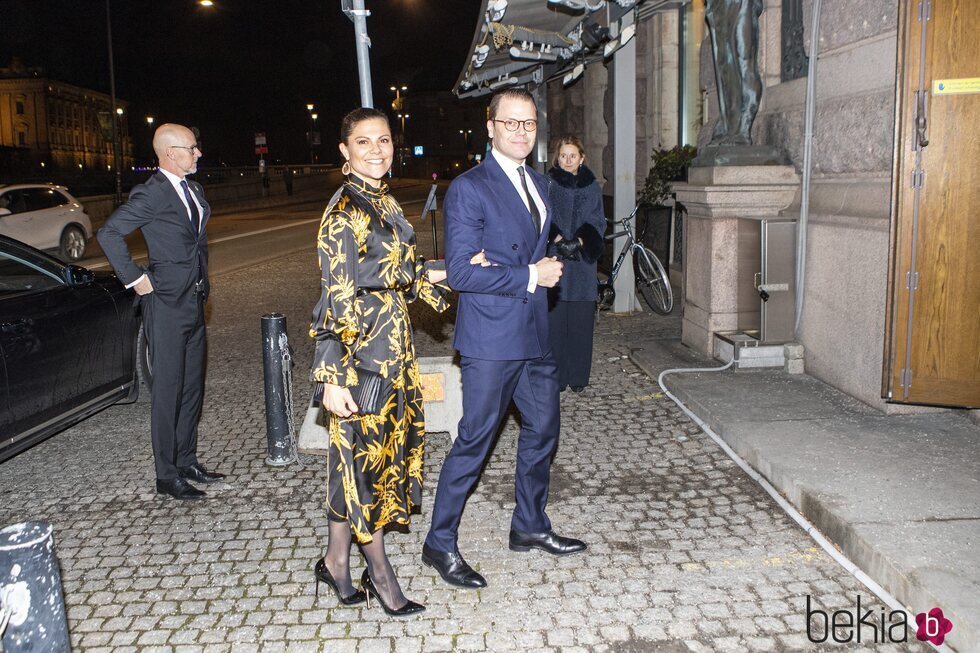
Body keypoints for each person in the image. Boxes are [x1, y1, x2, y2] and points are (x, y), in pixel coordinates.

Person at [423, 88, 587, 591]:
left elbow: (517, 247)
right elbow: (459, 272)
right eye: (511, 123)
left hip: (534, 335)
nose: (521, 131)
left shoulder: (538, 183)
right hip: (492, 339)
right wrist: (527, 274)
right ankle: (440, 542)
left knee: (543, 430)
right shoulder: (470, 187)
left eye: (529, 123)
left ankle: (529, 525)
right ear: (489, 126)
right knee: (475, 441)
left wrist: (511, 264)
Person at [309, 107, 450, 616]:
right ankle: (383, 577)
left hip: (396, 353)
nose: (376, 150)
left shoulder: (385, 201)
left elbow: (405, 275)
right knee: (365, 466)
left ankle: (335, 562)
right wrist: (331, 376)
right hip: (361, 358)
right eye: (363, 142)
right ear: (344, 152)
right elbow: (334, 298)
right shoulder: (344, 212)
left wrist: (453, 279)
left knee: (351, 463)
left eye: (384, 140)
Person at [98, 123, 224, 501]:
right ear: (170, 153)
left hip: (194, 300)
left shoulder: (194, 190)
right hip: (165, 304)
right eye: (191, 148)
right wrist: (135, 277)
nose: (198, 153)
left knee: (191, 389)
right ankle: (166, 475)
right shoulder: (150, 194)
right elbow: (109, 233)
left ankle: (186, 460)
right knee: (167, 390)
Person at [546, 136, 606, 393]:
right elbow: (541, 215)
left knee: (581, 323)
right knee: (556, 323)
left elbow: (598, 221)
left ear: (582, 158)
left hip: (581, 263)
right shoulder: (547, 184)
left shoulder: (592, 187)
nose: (568, 160)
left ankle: (579, 376)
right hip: (554, 258)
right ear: (557, 158)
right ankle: (557, 377)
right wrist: (558, 239)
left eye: (573, 155)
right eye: (563, 156)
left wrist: (580, 241)